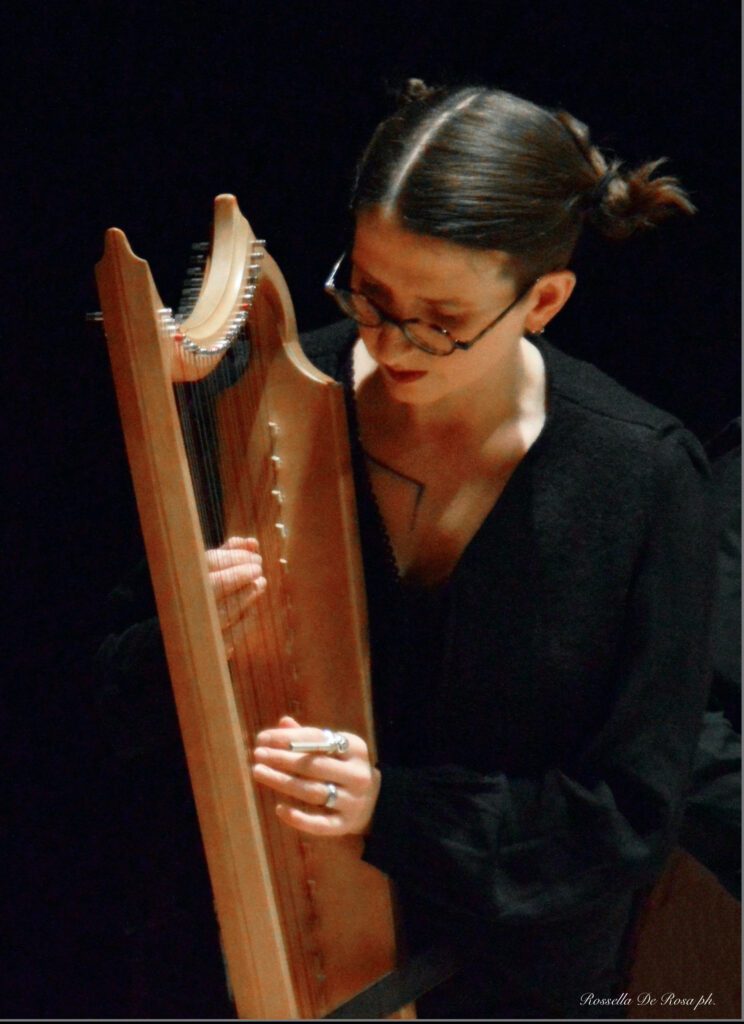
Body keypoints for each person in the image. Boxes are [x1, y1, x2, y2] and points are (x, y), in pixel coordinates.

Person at [99, 81, 717, 1018]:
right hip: (257, 941)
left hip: (507, 975)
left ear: (544, 298)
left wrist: (392, 813)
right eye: (370, 292)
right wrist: (182, 639)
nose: (391, 342)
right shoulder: (253, 405)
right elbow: (92, 695)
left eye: (440, 319)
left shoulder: (641, 478)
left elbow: (629, 817)